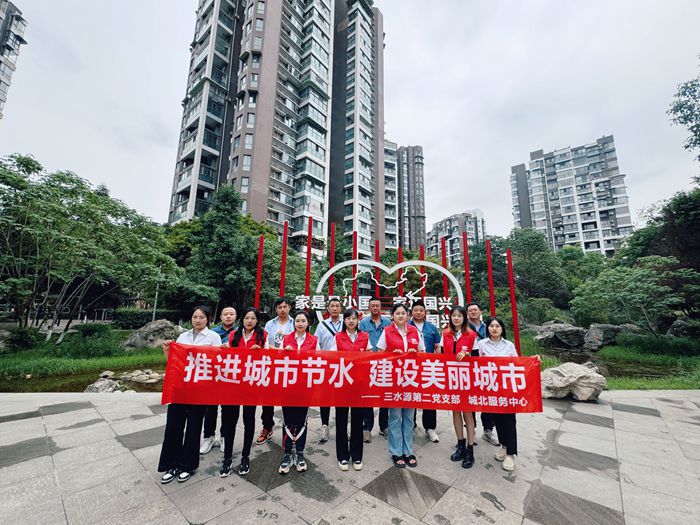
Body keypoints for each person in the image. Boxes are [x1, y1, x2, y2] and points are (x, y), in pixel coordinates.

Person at [158, 306, 222, 484]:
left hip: (200, 390)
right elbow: (173, 362)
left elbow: (217, 364)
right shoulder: (183, 337)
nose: (198, 320)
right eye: (195, 317)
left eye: (201, 317)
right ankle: (171, 464)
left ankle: (187, 465)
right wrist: (166, 350)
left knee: (194, 428)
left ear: (208, 319)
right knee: (173, 427)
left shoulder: (213, 337)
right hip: (180, 389)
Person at [478, 317, 539, 472]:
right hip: (491, 388)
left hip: (507, 389)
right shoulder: (482, 344)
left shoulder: (509, 345)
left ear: (502, 329)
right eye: (491, 326)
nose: (494, 328)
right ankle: (504, 447)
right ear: (487, 328)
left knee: (509, 420)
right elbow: (476, 364)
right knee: (498, 419)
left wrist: (533, 360)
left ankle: (511, 453)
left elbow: (518, 364)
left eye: (497, 326)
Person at [219, 307, 267, 477]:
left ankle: (245, 456)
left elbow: (270, 357)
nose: (249, 321)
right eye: (247, 317)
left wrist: (261, 352)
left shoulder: (263, 335)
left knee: (249, 420)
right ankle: (227, 458)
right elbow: (226, 357)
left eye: (253, 318)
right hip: (233, 384)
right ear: (242, 319)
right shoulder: (234, 335)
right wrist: (224, 349)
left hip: (251, 384)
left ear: (257, 320)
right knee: (229, 421)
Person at [376, 302, 425, 468]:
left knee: (409, 417)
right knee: (395, 417)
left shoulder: (414, 331)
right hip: (394, 380)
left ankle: (408, 450)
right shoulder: (387, 331)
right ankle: (396, 451)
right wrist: (391, 355)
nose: (401, 316)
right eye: (397, 313)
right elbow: (379, 354)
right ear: (392, 316)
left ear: (408, 315)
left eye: (403, 313)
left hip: (411, 379)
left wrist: (415, 353)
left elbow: (423, 353)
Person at [279, 310, 319, 474]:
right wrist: (284, 352)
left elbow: (319, 359)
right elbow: (278, 359)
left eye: (303, 321)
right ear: (293, 323)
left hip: (305, 385)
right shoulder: (287, 339)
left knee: (301, 419)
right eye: (297, 321)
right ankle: (287, 453)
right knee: (287, 419)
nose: (300, 324)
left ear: (308, 323)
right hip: (288, 385)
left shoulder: (314, 340)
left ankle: (300, 452)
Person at [330, 308, 371, 471]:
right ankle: (342, 456)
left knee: (357, 420)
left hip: (359, 384)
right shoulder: (338, 337)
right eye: (348, 318)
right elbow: (332, 357)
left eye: (354, 318)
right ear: (344, 320)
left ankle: (357, 455)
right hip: (342, 383)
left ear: (358, 320)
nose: (351, 321)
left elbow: (370, 356)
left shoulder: (364, 336)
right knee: (341, 420)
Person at [440, 306, 478, 468]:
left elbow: (477, 358)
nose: (456, 318)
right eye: (453, 315)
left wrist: (467, 354)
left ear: (464, 318)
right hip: (451, 378)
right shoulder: (445, 334)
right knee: (455, 411)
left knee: (467, 413)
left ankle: (470, 449)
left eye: (459, 316)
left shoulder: (472, 335)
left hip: (467, 379)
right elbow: (442, 355)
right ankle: (460, 444)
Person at [200, 306, 237, 455]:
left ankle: (224, 437)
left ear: (235, 316)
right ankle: (208, 437)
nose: (228, 316)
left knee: (228, 410)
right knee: (210, 409)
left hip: (232, 376)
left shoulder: (240, 333)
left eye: (231, 314)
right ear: (220, 317)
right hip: (213, 375)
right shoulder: (212, 332)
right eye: (225, 314)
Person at [257, 297, 294, 446]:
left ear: (289, 307)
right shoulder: (269, 324)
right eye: (279, 307)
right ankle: (267, 427)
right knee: (267, 398)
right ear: (276, 309)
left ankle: (289, 430)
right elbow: (265, 343)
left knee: (288, 399)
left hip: (289, 365)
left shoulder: (295, 322)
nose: (282, 309)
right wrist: (279, 351)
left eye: (285, 306)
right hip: (271, 364)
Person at [358, 297, 391, 442]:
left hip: (385, 364)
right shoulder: (363, 323)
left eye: (377, 305)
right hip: (368, 364)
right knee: (368, 396)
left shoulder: (388, 323)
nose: (375, 308)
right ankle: (367, 428)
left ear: (381, 307)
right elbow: (360, 340)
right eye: (373, 305)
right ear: (369, 307)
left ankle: (384, 426)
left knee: (384, 396)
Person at [409, 300, 442, 443]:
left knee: (429, 397)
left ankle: (430, 428)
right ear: (411, 312)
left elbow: (437, 346)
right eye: (415, 310)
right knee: (411, 396)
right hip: (411, 367)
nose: (418, 312)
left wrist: (439, 362)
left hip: (429, 367)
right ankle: (411, 426)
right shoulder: (407, 326)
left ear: (425, 312)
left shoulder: (432, 328)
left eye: (421, 310)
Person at [468, 302, 499, 447]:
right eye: (470, 311)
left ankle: (488, 430)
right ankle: (471, 430)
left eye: (475, 310)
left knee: (488, 399)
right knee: (471, 399)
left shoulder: (489, 327)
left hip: (488, 368)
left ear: (480, 311)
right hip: (471, 367)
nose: (473, 312)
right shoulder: (465, 327)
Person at [313, 297, 343, 443]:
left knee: (341, 398)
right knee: (325, 397)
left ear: (341, 308)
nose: (335, 308)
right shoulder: (322, 325)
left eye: (337, 306)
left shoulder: (347, 323)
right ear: (328, 309)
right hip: (326, 366)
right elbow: (316, 344)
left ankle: (341, 428)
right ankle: (324, 426)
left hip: (343, 366)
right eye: (332, 306)